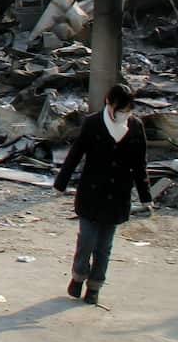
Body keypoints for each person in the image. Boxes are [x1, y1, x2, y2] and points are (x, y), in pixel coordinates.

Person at [53, 83, 153, 305]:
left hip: (117, 195)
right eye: (119, 108)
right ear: (109, 102)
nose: (122, 113)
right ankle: (78, 276)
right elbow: (75, 154)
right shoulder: (94, 123)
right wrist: (61, 183)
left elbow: (140, 164)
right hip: (91, 192)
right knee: (86, 239)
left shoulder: (135, 127)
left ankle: (95, 287)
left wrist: (146, 196)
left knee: (104, 246)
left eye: (126, 109)